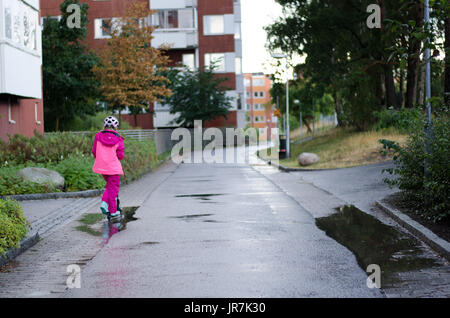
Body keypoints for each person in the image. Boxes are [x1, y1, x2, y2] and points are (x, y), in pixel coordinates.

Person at [92, 116, 125, 218]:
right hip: (113, 168)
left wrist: (101, 158)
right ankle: (110, 208)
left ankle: (107, 205)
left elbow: (94, 151)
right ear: (115, 127)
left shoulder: (98, 136)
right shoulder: (118, 138)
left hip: (101, 167)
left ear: (105, 125)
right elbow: (120, 155)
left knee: (110, 187)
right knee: (113, 188)